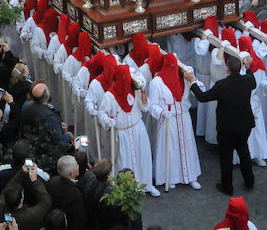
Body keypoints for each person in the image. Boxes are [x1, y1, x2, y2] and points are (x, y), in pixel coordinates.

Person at [189, 53, 255, 195]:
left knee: (226, 158)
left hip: (227, 128)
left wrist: (192, 82)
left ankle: (227, 187)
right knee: (244, 153)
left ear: (227, 69)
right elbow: (253, 81)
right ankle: (250, 181)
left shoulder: (222, 85)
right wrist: (248, 68)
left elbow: (203, 97)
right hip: (244, 126)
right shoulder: (248, 81)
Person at [97, 64, 159, 197]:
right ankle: (126, 189)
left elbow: (144, 107)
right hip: (122, 133)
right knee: (124, 161)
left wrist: (143, 92)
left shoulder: (135, 90)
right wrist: (108, 120)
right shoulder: (109, 96)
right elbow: (101, 114)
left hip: (138, 130)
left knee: (143, 157)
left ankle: (147, 184)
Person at [148, 53, 201, 191]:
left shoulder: (184, 77)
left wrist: (192, 79)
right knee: (170, 149)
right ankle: (170, 177)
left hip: (184, 118)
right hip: (168, 121)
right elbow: (152, 105)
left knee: (187, 146)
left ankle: (190, 176)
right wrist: (162, 112)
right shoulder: (156, 82)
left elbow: (200, 89)